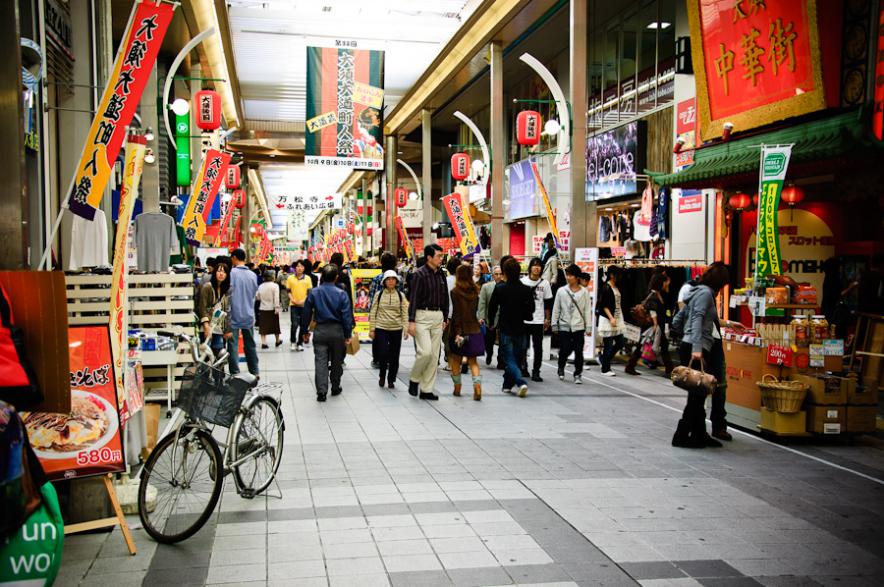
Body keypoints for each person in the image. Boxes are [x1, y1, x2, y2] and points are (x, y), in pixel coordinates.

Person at [673, 262, 731, 447]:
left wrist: (686, 334)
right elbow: (697, 318)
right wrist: (697, 347)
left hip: (691, 343)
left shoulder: (696, 291)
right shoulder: (705, 293)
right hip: (696, 348)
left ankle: (699, 434)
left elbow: (679, 318)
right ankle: (681, 436)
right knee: (697, 396)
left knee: (698, 393)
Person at [301, 265, 354, 402]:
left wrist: (304, 331)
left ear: (322, 276)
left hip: (320, 330)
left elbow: (306, 313)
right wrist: (348, 334)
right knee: (337, 360)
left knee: (320, 361)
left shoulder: (314, 292)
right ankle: (335, 386)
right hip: (337, 331)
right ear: (336, 278)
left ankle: (321, 391)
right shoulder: (341, 294)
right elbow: (346, 316)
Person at [407, 244, 448, 401]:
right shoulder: (419, 274)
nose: (441, 259)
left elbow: (445, 297)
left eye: (441, 256)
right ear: (429, 257)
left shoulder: (441, 274)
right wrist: (411, 321)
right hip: (422, 316)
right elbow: (414, 298)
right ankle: (415, 378)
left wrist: (445, 317)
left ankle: (426, 389)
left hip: (438, 316)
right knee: (425, 352)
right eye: (438, 256)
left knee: (434, 356)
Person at [488, 258, 533, 397]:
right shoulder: (526, 289)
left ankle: (520, 382)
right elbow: (531, 308)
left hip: (506, 328)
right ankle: (507, 384)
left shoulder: (500, 288)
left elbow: (492, 307)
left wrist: (491, 322)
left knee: (509, 358)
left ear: (505, 273)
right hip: (521, 328)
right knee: (517, 358)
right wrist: (526, 315)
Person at [625, 271, 674, 376]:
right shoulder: (653, 295)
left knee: (660, 346)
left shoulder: (658, 294)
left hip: (655, 326)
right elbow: (652, 311)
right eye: (665, 282)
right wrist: (655, 324)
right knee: (642, 345)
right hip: (652, 326)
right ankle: (669, 370)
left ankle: (669, 369)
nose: (666, 284)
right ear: (660, 283)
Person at [448, 265, 485, 401]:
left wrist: (457, 332)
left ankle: (457, 388)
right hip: (474, 329)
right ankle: (477, 387)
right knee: (473, 361)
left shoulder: (455, 292)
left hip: (460, 330)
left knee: (456, 359)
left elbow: (457, 314)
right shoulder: (475, 291)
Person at [551, 264, 591, 384]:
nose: (568, 277)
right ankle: (561, 366)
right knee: (565, 348)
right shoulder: (561, 291)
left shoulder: (584, 292)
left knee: (579, 351)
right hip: (564, 325)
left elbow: (587, 310)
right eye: (567, 275)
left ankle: (578, 374)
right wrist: (554, 323)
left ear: (577, 277)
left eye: (571, 275)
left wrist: (588, 326)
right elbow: (556, 308)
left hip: (578, 326)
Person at [369, 270, 409, 389]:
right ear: (384, 281)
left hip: (396, 329)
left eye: (393, 279)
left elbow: (404, 313)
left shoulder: (401, 296)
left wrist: (405, 328)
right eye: (388, 279)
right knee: (383, 353)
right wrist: (372, 329)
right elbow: (373, 311)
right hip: (381, 328)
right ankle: (382, 375)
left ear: (396, 281)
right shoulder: (378, 295)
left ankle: (391, 379)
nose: (391, 281)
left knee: (395, 356)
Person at [227, 249, 260, 376]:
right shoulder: (252, 275)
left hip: (233, 314)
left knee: (233, 345)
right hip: (248, 314)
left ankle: (235, 373)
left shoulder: (231, 273)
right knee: (250, 344)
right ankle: (254, 371)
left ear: (234, 258)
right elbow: (254, 294)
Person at [521, 258, 553, 382]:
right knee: (523, 346)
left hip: (538, 320)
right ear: (530, 268)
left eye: (539, 266)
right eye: (534, 266)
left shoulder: (545, 284)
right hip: (524, 319)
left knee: (538, 347)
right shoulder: (522, 282)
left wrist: (547, 319)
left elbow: (548, 302)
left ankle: (536, 371)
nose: (537, 268)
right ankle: (523, 367)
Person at [368, 252, 399, 368]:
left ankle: (377, 359)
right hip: (394, 314)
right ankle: (391, 359)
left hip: (380, 313)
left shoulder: (377, 279)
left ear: (381, 263)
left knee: (378, 336)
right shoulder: (398, 279)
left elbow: (373, 297)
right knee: (393, 337)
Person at [196, 260, 231, 356]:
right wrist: (206, 326)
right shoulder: (207, 287)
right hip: (207, 328)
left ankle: (216, 372)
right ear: (215, 272)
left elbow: (226, 310)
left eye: (224, 272)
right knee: (206, 356)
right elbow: (202, 307)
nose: (221, 274)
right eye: (219, 271)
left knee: (218, 356)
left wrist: (227, 329)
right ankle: (205, 372)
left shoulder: (225, 290)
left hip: (218, 328)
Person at [597, 266, 625, 377]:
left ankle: (604, 360)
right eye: (617, 274)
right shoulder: (606, 287)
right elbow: (603, 305)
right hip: (609, 319)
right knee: (608, 344)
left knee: (620, 342)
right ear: (612, 275)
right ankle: (605, 368)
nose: (619, 277)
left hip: (617, 318)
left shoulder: (616, 287)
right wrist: (611, 318)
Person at [477, 265, 502, 367]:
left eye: (500, 274)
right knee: (489, 340)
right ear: (492, 275)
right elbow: (482, 303)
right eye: (496, 274)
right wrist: (481, 317)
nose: (499, 276)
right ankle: (489, 353)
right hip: (489, 318)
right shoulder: (486, 287)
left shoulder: (506, 286)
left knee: (502, 341)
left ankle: (501, 360)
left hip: (502, 318)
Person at [287, 259, 313, 351]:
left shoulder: (308, 278)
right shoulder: (290, 278)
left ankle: (300, 343)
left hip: (304, 305)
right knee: (294, 324)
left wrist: (303, 301)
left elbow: (309, 292)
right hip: (293, 304)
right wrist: (293, 300)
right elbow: (288, 291)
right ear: (295, 268)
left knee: (303, 325)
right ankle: (293, 342)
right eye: (298, 266)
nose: (299, 268)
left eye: (301, 266)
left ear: (304, 268)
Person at [256, 270, 282, 349]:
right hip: (272, 308)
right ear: (272, 277)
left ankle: (264, 343)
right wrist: (277, 308)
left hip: (263, 308)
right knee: (275, 326)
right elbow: (276, 298)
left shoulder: (261, 286)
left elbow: (257, 297)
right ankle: (277, 341)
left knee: (263, 326)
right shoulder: (275, 286)